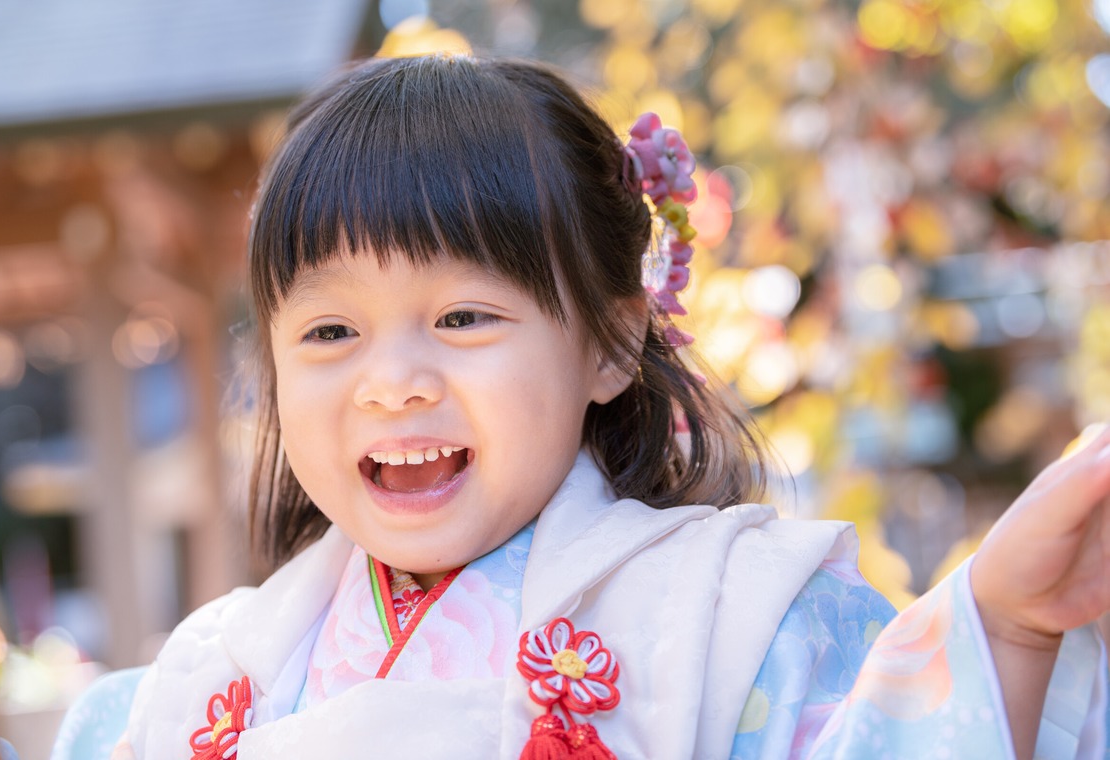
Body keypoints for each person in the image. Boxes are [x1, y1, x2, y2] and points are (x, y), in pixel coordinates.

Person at [103, 55, 1108, 759]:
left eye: (460, 315)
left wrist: (1009, 631)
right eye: (330, 333)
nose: (391, 381)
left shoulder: (742, 621)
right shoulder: (200, 680)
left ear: (613, 340)